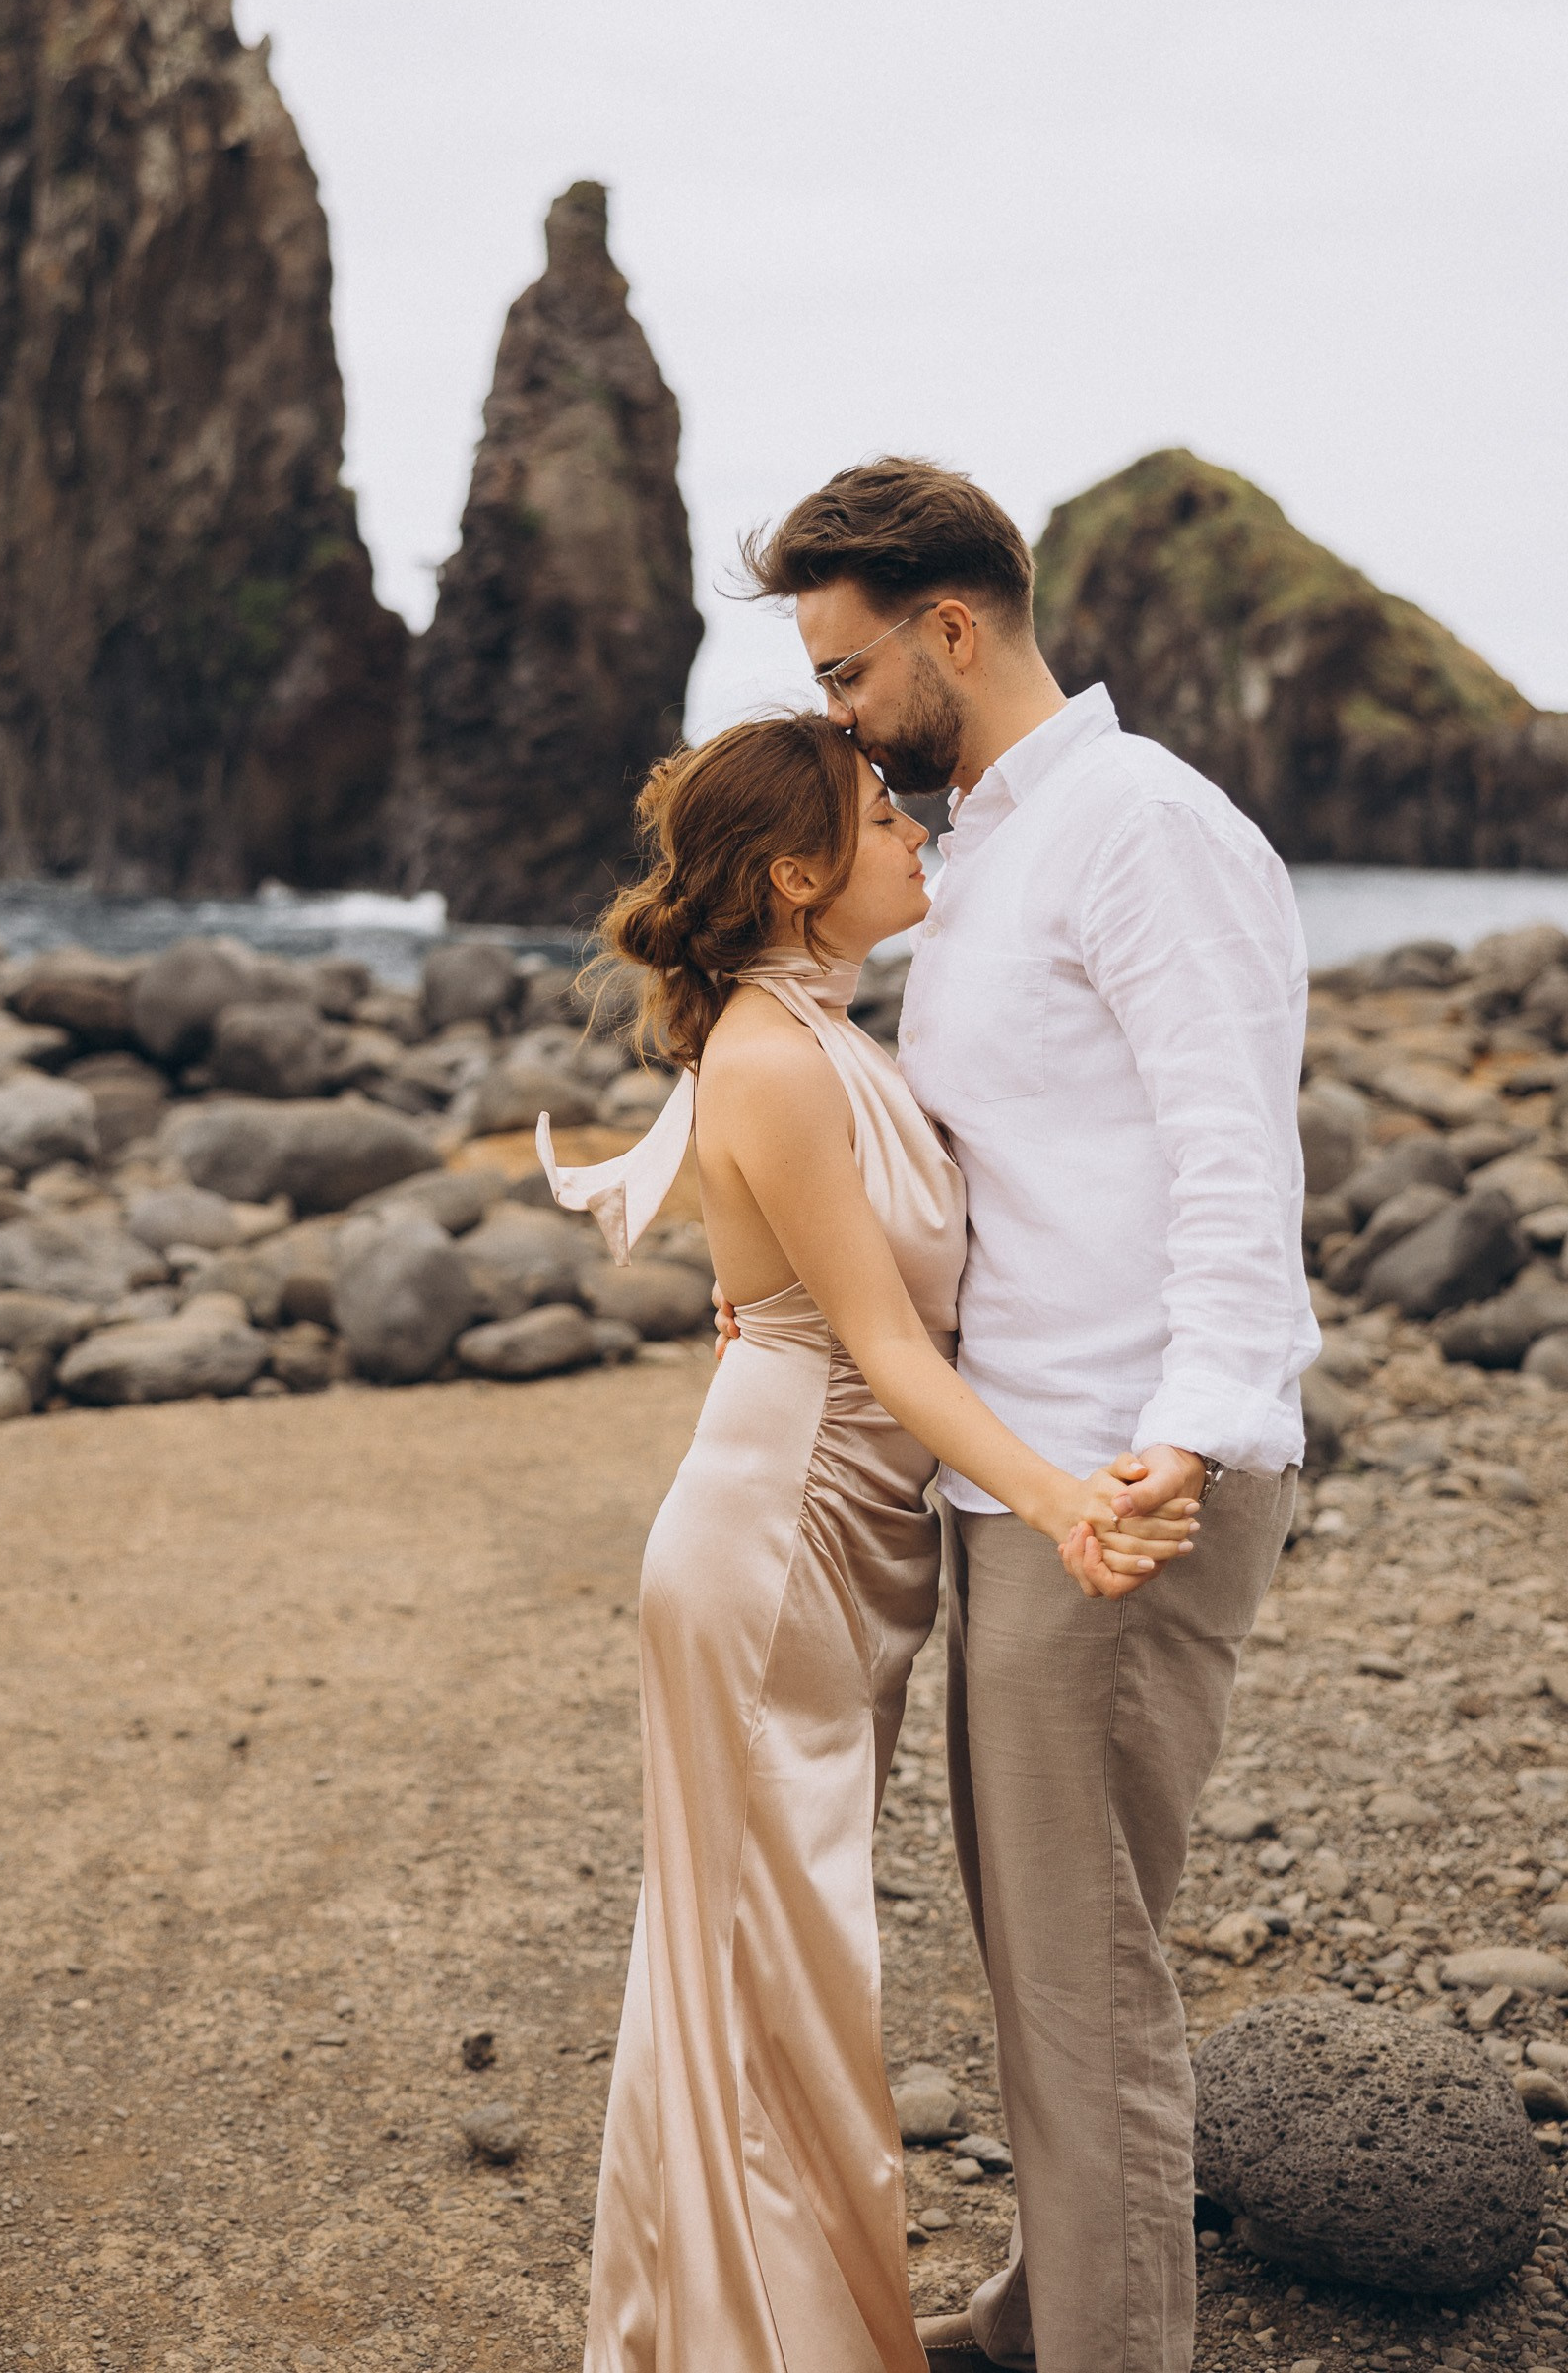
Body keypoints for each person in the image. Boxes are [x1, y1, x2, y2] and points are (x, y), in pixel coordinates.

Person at [736, 458, 1315, 2373]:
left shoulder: (1143, 830)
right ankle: (1044, 2309)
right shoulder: (984, 845)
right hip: (1029, 1474)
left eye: (841, 672)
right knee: (1043, 1947)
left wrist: (1202, 1421)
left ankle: (1107, 2346)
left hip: (1123, 1479)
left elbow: (1235, 1148)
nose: (833, 712)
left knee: (1082, 1985)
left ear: (950, 631)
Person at [539, 713, 1198, 2373]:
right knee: (777, 1968)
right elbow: (888, 1355)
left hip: (828, 1528)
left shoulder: (815, 1033)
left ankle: (747, 2321)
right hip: (778, 1552)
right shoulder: (769, 1052)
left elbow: (792, 1295)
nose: (919, 834)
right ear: (795, 874)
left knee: (767, 1961)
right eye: (881, 815)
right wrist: (1067, 1502)